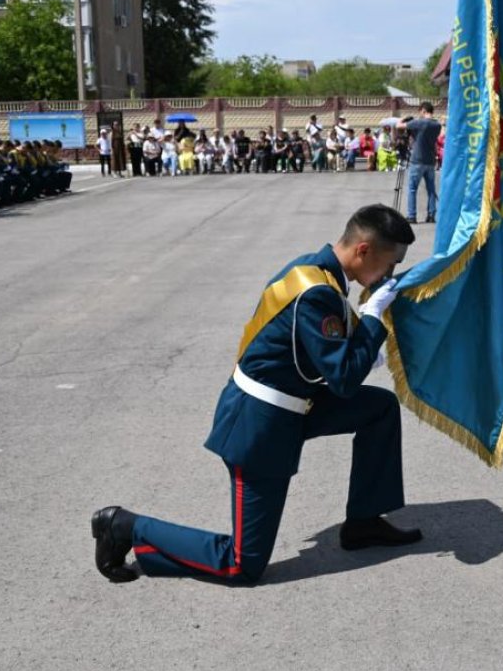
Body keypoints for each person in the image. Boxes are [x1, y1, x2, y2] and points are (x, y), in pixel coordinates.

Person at [90, 204, 421, 584]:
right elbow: (343, 379)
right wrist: (373, 318)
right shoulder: (316, 293)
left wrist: (362, 341)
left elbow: (326, 354)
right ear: (363, 250)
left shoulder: (313, 269)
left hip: (294, 404)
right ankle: (124, 526)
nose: (389, 275)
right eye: (390, 264)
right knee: (242, 565)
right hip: (260, 425)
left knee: (379, 408)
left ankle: (364, 521)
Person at [396, 101, 442, 223]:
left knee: (412, 189)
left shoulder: (419, 122)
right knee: (431, 189)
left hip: (417, 160)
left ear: (423, 110)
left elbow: (398, 126)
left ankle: (412, 215)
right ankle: (431, 215)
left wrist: (404, 118)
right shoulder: (437, 125)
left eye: (420, 112)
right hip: (430, 160)